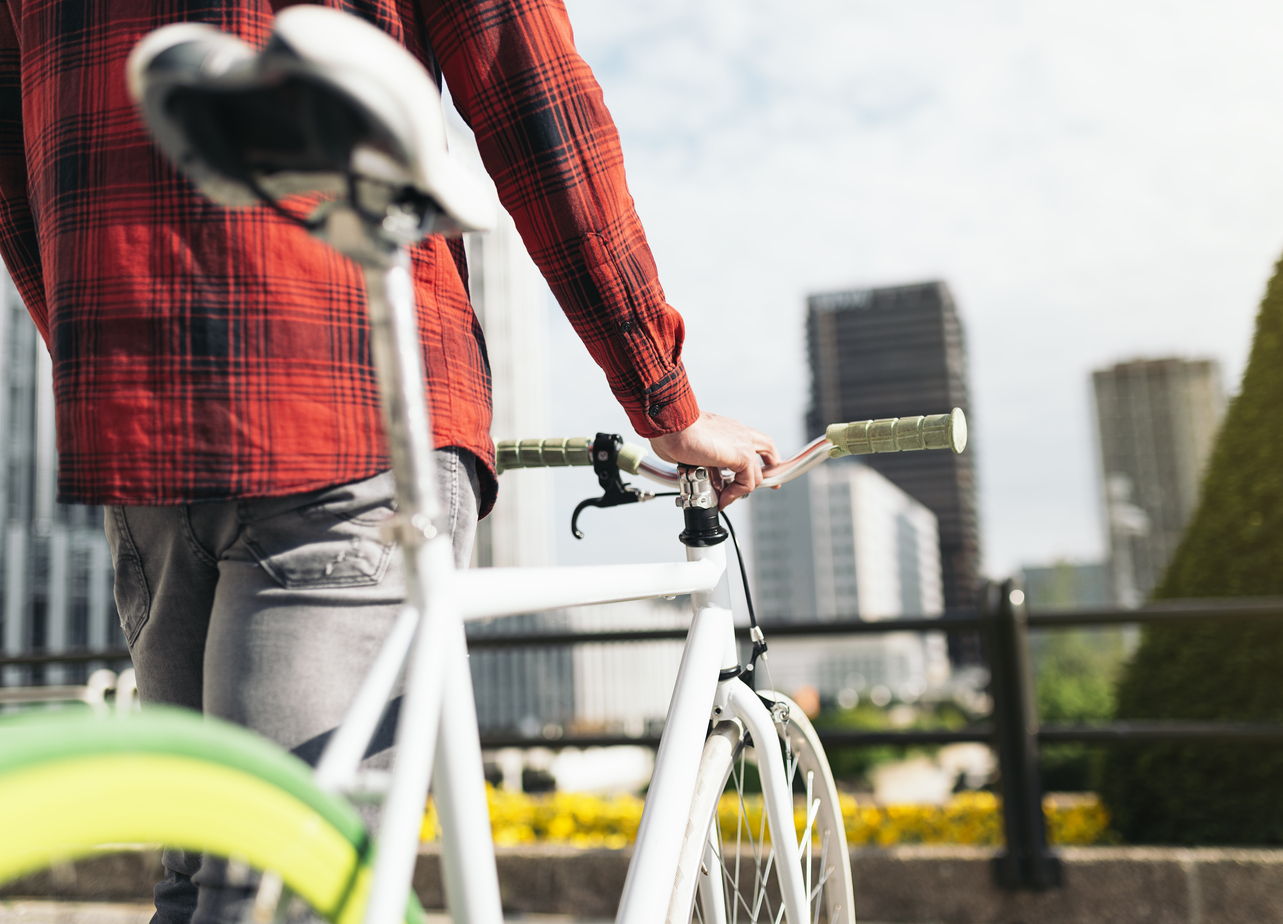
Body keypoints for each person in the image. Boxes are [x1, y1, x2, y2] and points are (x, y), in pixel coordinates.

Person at [0, 1, 777, 921]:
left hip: (142, 425)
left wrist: (109, 362)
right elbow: (539, 103)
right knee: (286, 888)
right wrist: (663, 397)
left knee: (209, 874)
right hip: (347, 397)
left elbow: (15, 170)